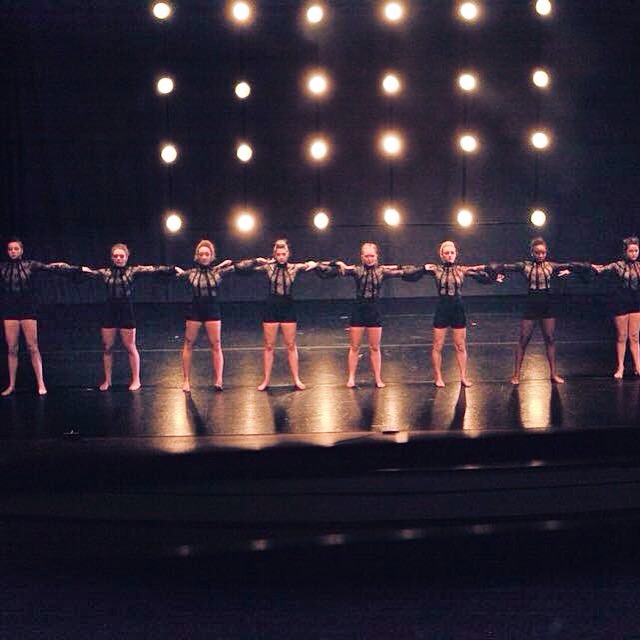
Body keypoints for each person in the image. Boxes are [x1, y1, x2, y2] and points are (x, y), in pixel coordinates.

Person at [403, 240, 499, 388]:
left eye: (452, 253)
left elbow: (481, 278)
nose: (449, 255)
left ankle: (463, 377)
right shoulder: (435, 269)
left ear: (456, 254)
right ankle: (438, 377)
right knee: (437, 346)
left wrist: (493, 278)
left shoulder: (461, 270)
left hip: (458, 310)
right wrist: (422, 268)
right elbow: (413, 275)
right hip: (442, 309)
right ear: (441, 255)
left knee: (460, 345)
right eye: (446, 253)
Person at [81, 243, 175, 391]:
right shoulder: (105, 272)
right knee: (107, 347)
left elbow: (152, 269)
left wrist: (172, 269)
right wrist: (80, 270)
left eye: (121, 256)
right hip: (109, 310)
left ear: (126, 257)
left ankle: (136, 379)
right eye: (116, 256)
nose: (119, 258)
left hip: (126, 310)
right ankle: (107, 380)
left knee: (130, 346)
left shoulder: (132, 271)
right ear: (112, 258)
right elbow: (88, 273)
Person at [501, 237, 591, 385]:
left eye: (543, 252)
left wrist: (579, 268)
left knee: (550, 339)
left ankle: (553, 374)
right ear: (532, 253)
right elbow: (506, 266)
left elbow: (571, 265)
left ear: (546, 252)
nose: (540, 255)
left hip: (547, 303)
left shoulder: (551, 266)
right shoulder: (525, 266)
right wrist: (495, 271)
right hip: (531, 303)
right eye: (537, 253)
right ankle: (516, 375)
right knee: (523, 339)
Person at [235, 239, 318, 391]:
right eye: (278, 254)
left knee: (291, 345)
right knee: (269, 345)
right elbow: (242, 269)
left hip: (288, 306)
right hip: (271, 306)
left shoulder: (294, 267)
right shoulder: (268, 267)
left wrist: (314, 264)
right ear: (274, 255)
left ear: (288, 254)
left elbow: (312, 265)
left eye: (283, 254)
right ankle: (266, 380)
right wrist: (256, 260)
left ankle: (296, 379)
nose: (281, 257)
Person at [324, 241, 405, 389]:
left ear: (376, 256)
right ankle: (351, 378)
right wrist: (336, 262)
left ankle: (378, 378)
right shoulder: (356, 270)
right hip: (359, 310)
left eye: (372, 256)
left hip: (374, 311)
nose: (369, 259)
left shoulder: (382, 271)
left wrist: (423, 269)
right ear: (362, 257)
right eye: (366, 256)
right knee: (354, 347)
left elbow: (402, 270)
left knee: (375, 347)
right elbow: (329, 268)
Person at [0, 238, 75, 396]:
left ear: (21, 250)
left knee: (32, 347)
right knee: (12, 348)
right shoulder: (3, 267)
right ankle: (11, 385)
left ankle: (41, 383)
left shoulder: (30, 264)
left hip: (27, 308)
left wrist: (66, 266)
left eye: (16, 249)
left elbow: (49, 268)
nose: (13, 252)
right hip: (10, 310)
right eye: (10, 249)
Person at [176, 239, 233, 392]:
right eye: (201, 254)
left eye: (207, 254)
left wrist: (257, 261)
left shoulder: (217, 272)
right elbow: (175, 274)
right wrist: (172, 269)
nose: (204, 257)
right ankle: (186, 380)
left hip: (212, 308)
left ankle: (219, 379)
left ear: (211, 256)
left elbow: (238, 266)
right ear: (197, 256)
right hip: (195, 309)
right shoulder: (191, 273)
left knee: (216, 344)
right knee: (189, 343)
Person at [593, 236, 640, 378]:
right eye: (631, 251)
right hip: (621, 302)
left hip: (636, 302)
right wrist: (574, 269)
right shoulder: (617, 266)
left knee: (634, 336)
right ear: (625, 252)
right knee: (622, 336)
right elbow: (599, 270)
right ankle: (620, 367)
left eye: (636, 250)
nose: (634, 253)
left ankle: (638, 366)